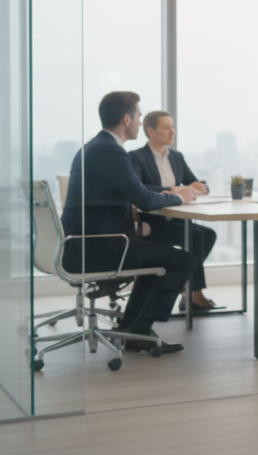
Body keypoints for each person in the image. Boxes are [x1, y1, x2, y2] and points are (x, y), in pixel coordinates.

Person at [61, 91, 199, 354]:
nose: (140, 122)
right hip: (96, 247)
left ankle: (131, 326)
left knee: (157, 257)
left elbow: (130, 193)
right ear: (126, 119)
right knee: (183, 260)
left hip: (87, 242)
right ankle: (139, 331)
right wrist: (179, 197)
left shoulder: (97, 147)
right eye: (138, 116)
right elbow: (144, 198)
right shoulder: (110, 151)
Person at [130, 111, 221, 313]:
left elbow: (192, 181)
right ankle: (194, 293)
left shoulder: (176, 157)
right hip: (152, 223)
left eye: (173, 127)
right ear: (150, 130)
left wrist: (201, 186)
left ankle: (184, 284)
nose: (172, 132)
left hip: (177, 219)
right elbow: (139, 189)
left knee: (208, 234)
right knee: (196, 236)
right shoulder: (136, 157)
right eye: (166, 127)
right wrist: (174, 190)